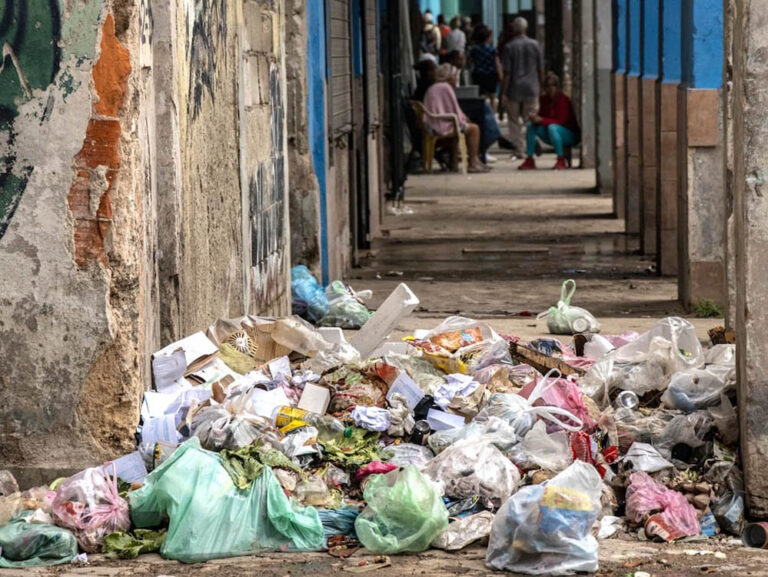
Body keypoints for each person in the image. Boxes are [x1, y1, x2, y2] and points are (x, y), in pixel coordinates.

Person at [423, 64, 488, 173]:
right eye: (454, 76)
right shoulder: (445, 87)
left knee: (470, 126)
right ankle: (473, 161)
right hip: (441, 125)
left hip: (434, 124)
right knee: (474, 129)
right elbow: (453, 110)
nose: (456, 79)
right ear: (448, 76)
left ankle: (474, 161)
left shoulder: (433, 87)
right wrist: (463, 119)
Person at [501, 16, 544, 158]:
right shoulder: (535, 45)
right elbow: (540, 69)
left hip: (514, 88)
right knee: (530, 119)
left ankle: (519, 149)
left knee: (513, 120)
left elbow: (507, 73)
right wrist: (541, 86)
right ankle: (532, 142)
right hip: (532, 87)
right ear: (526, 28)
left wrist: (503, 92)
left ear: (514, 30)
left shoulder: (509, 47)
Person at [519, 73, 581, 171]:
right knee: (531, 126)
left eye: (553, 85)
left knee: (552, 127)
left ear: (558, 87)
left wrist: (542, 120)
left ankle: (561, 159)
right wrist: (535, 118)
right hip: (551, 133)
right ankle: (530, 158)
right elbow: (542, 116)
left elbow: (561, 121)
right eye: (547, 86)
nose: (550, 88)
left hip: (569, 134)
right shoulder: (544, 100)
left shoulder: (563, 100)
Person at [470, 26, 501, 111]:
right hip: (491, 74)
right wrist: (500, 75)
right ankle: (492, 113)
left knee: (481, 96)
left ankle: (482, 112)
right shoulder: (493, 50)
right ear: (487, 38)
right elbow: (497, 63)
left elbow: (470, 62)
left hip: (479, 74)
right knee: (492, 96)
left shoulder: (475, 49)